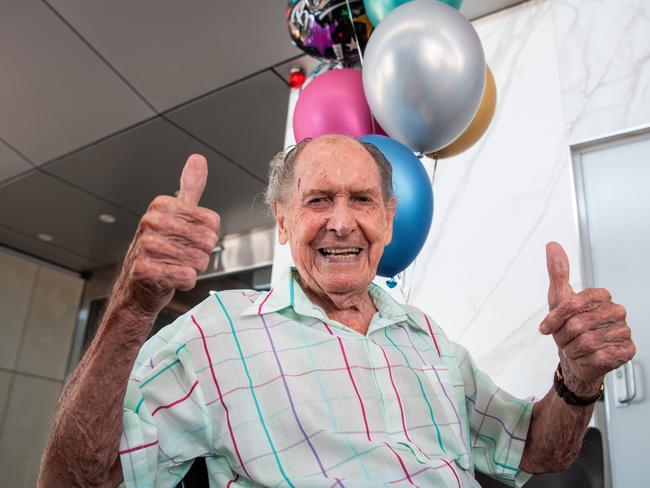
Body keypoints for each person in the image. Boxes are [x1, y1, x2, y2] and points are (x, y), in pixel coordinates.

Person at [38, 135, 635, 487]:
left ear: (388, 220)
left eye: (362, 200)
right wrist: (132, 307)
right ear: (282, 222)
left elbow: (536, 449)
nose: (342, 221)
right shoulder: (218, 334)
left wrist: (579, 380)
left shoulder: (426, 337)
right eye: (318, 199)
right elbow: (76, 480)